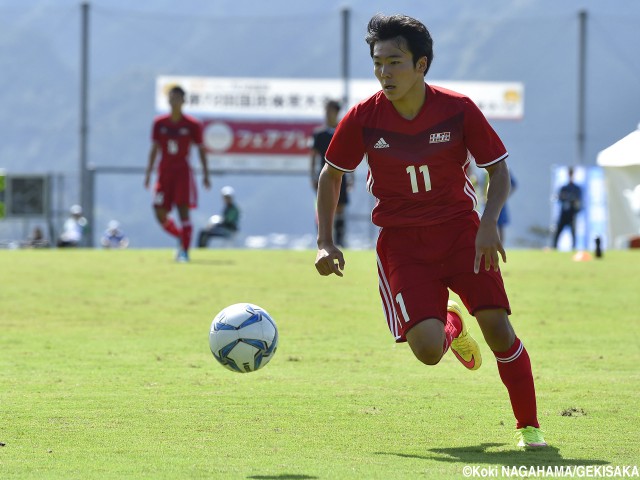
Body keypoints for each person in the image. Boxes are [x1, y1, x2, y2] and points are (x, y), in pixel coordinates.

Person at [314, 14, 546, 449]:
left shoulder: (457, 109)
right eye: (378, 63)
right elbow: (331, 175)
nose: (385, 72)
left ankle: (528, 426)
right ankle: (451, 326)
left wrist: (489, 224)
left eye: (395, 62)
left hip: (462, 234)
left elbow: (498, 170)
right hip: (403, 245)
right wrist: (326, 241)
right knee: (426, 351)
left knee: (498, 328)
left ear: (421, 65)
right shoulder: (364, 117)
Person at [144, 85, 210, 262]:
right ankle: (181, 236)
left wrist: (205, 174)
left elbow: (201, 150)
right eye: (171, 98)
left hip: (182, 173)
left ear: (183, 101)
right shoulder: (160, 123)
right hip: (164, 173)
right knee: (159, 211)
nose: (174, 101)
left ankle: (185, 251)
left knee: (183, 211)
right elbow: (154, 149)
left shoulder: (192, 124)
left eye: (177, 98)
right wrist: (148, 174)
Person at [310, 100, 353, 247]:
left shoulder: (343, 130)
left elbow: (351, 154)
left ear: (337, 112)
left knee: (340, 207)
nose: (327, 114)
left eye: (330, 111)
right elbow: (314, 156)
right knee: (323, 206)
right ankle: (322, 239)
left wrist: (351, 177)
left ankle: (340, 240)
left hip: (341, 174)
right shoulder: (319, 134)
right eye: (326, 111)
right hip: (324, 175)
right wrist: (313, 176)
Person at [552, 167, 582, 249]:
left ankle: (573, 247)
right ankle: (554, 247)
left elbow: (578, 200)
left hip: (572, 214)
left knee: (573, 232)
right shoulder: (564, 187)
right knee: (558, 231)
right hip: (563, 213)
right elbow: (560, 198)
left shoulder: (577, 188)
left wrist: (570, 199)